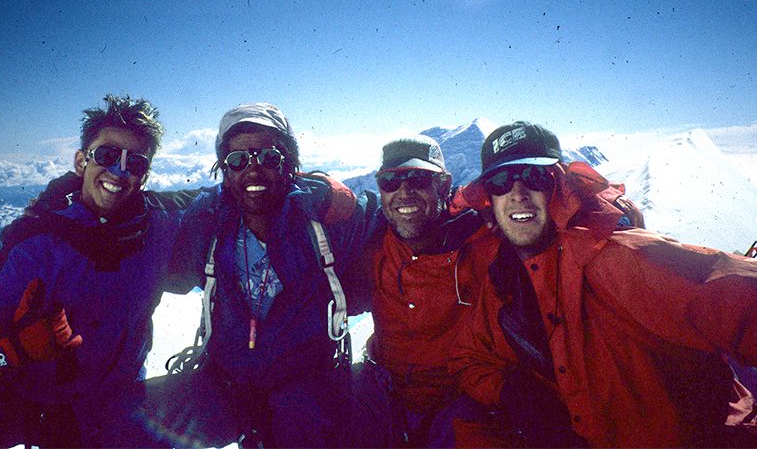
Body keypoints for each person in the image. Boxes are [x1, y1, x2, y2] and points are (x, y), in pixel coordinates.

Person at [450, 120, 757, 447]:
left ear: (560, 187)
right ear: (488, 198)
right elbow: (471, 359)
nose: (518, 194)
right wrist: (512, 391)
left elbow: (739, 296)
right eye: (500, 181)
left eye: (534, 177)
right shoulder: (504, 278)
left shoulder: (621, 258)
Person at [136, 103, 377, 448]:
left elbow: (399, 217)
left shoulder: (325, 220)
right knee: (126, 421)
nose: (253, 171)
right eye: (237, 160)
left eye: (268, 157)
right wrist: (71, 190)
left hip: (305, 393)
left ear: (288, 162)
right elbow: (141, 209)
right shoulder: (208, 221)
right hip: (224, 385)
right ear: (224, 169)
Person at [0, 95, 192, 447]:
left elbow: (222, 198)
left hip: (111, 405)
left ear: (145, 176)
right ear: (82, 161)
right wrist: (15, 348)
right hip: (30, 402)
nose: (119, 171)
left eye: (136, 163)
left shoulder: (160, 227)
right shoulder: (36, 246)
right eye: (107, 155)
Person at [350, 135, 496, 447]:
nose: (403, 193)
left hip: (458, 402)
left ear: (443, 185)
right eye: (390, 182)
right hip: (384, 394)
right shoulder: (372, 241)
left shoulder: (483, 243)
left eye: (418, 180)